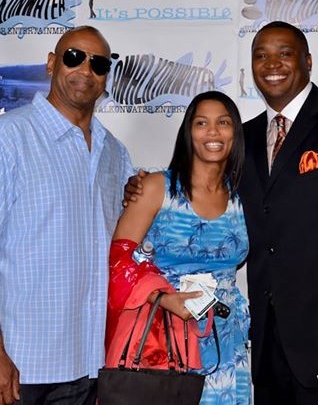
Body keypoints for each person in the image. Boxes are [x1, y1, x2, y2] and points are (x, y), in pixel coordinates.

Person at [126, 20, 318, 405]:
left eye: (284, 53)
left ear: (307, 61)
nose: (271, 63)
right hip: (265, 350)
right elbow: (200, 191)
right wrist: (142, 188)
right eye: (260, 55)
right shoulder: (245, 138)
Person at [0, 26, 134, 405]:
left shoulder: (115, 153)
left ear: (105, 78)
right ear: (51, 63)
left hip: (82, 363)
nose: (85, 70)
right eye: (74, 57)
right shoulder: (6, 136)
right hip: (14, 365)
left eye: (98, 64)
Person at [108, 90, 251, 405]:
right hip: (164, 340)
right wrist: (163, 298)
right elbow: (118, 259)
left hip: (227, 346)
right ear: (189, 133)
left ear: (235, 133)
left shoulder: (242, 197)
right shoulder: (157, 188)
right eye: (201, 123)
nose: (212, 131)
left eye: (223, 123)